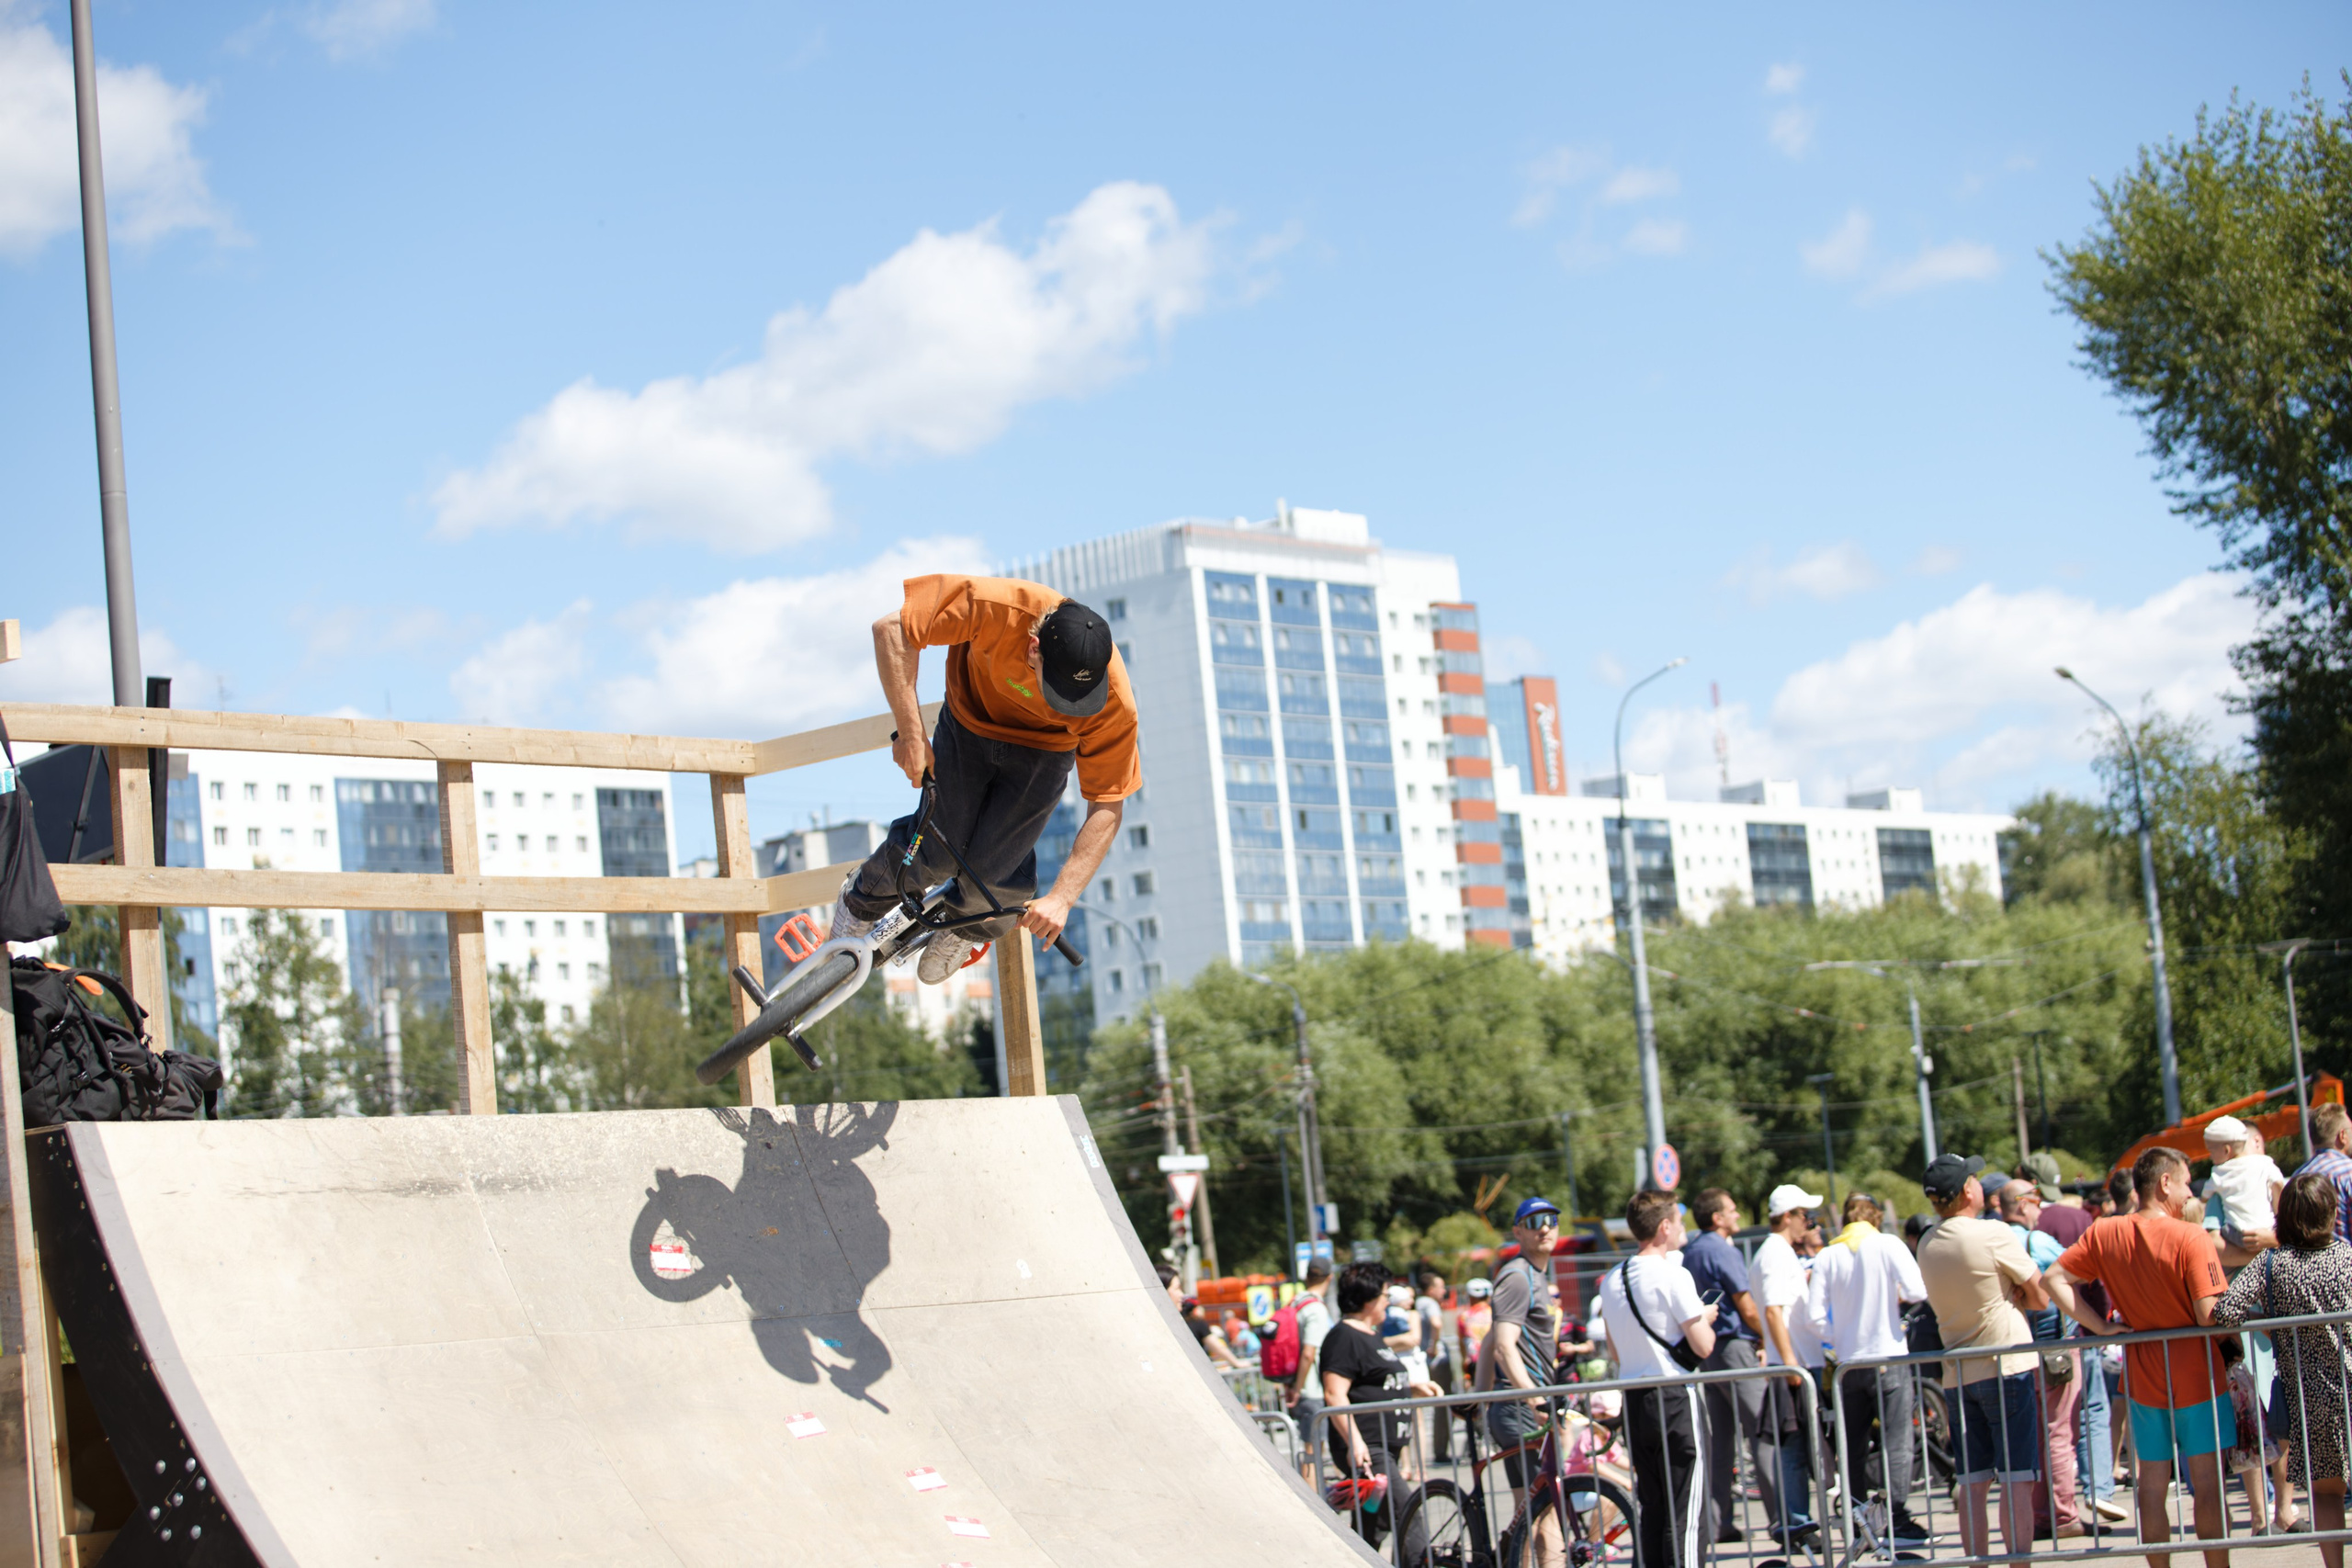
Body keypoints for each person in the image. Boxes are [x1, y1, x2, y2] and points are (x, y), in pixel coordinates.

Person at [834, 575, 1139, 979]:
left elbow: (1108, 801)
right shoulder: (999, 607)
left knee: (993, 877)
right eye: (1060, 692)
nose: (1070, 705)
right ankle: (860, 901)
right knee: (937, 848)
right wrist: (910, 733)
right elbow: (891, 630)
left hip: (1046, 753)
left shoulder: (1115, 705)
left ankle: (968, 928)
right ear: (1034, 649)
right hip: (970, 722)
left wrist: (1063, 898)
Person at [2044, 1145, 2233, 1568]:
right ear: (2165, 1182)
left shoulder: (2104, 1232)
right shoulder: (2192, 1236)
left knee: (2151, 1486)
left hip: (2143, 1372)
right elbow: (2208, 1315)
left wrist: (2099, 1327)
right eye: (2185, 1183)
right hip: (2198, 1373)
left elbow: (2054, 1278)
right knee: (2208, 1486)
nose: (2189, 1194)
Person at [1916, 1154, 2048, 1568]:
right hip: (2006, 1362)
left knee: (1972, 1483)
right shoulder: (1993, 1233)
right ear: (1968, 1190)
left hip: (1958, 1371)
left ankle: (1977, 1562)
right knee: (2016, 1480)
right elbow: (2040, 1295)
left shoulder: (1926, 1242)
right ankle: (2019, 1563)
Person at [2214, 1171, 2352, 1567]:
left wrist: (2267, 1316)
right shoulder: (2345, 1256)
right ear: (2329, 1212)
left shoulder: (2272, 1264)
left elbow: (2226, 1310)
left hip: (2307, 1398)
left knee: (2326, 1495)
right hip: (2348, 1384)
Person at [1596, 1190, 1715, 1568]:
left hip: (1634, 1398)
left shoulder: (1612, 1279)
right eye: (1678, 1221)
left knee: (1653, 1507)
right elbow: (1704, 1346)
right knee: (1686, 1511)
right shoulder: (1673, 1274)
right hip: (1674, 1395)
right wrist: (1704, 1318)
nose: (1682, 1228)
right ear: (1665, 1227)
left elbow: (1615, 1351)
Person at [1811, 1191, 1931, 1543]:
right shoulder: (1888, 1245)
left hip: (1849, 1361)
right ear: (1875, 1217)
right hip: (1887, 1355)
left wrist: (1839, 1337)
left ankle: (1857, 1517)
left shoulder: (1828, 1254)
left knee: (1853, 1445)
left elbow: (1815, 1315)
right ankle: (1896, 1516)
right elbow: (1916, 1290)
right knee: (1897, 1440)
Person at [1323, 1260, 1443, 1555]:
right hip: (1368, 1450)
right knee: (1410, 1515)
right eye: (1385, 1294)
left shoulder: (1370, 1334)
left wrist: (1412, 1388)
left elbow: (1372, 1382)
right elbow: (1334, 1394)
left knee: (1372, 1528)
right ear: (1368, 1298)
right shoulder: (1344, 1337)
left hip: (1384, 1448)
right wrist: (1356, 1442)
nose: (1389, 1301)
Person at [2036, 1172, 2132, 1526]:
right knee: (2091, 1411)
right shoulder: (2078, 1219)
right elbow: (2095, 1277)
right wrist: (2103, 1324)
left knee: (2052, 1423)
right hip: (2079, 1330)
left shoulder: (2017, 1227)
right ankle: (2098, 1489)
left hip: (2037, 1337)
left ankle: (2053, 1507)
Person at [1479, 1199, 1566, 1568]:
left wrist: (1478, 1400)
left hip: (1524, 1406)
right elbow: (1502, 1345)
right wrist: (1533, 1398)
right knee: (1545, 1515)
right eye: (1533, 1222)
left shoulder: (1536, 1274)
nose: (1543, 1227)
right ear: (1517, 1232)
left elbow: (1489, 1340)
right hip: (1522, 1408)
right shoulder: (1518, 1276)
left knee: (1532, 1513)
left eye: (1551, 1219)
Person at [1998, 1180, 2086, 1537]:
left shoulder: (1996, 1241)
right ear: (2021, 1205)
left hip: (2016, 1350)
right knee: (2059, 1433)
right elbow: (2079, 1268)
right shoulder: (2037, 1242)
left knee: (2033, 1435)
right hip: (2055, 1351)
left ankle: (2039, 1515)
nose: (2039, 1209)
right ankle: (2064, 1515)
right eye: (2036, 1202)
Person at [1685, 1189, 1768, 1548]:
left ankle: (1719, 1523)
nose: (1737, 1216)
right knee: (1764, 1430)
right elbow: (1746, 1306)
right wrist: (1770, 1338)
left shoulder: (1692, 1250)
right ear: (1717, 1217)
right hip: (1733, 1347)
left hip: (1708, 1351)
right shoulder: (1722, 1249)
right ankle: (1784, 1521)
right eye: (1732, 1210)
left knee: (1720, 1443)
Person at [1749, 1185, 1825, 1554]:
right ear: (1790, 1216)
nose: (1808, 1222)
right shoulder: (1776, 1254)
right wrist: (1791, 1362)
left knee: (1797, 1449)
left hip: (1794, 1361)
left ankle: (1797, 1522)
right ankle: (1796, 1523)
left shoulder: (1776, 1253)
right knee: (1795, 1449)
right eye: (1805, 1215)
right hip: (1795, 1364)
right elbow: (1773, 1311)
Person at [2203, 1115, 2287, 1255]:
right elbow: (2278, 1184)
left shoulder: (2220, 1172)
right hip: (2269, 1228)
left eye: (2211, 1152)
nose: (2210, 1157)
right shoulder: (2266, 1164)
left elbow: (2204, 1197)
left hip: (2239, 1235)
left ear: (2226, 1150)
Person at [1286, 1258, 1338, 1471]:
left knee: (1309, 1449)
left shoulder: (1295, 1302)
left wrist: (1291, 1386)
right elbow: (1309, 1353)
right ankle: (1310, 1500)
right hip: (1310, 1390)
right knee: (1313, 1452)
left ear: (1307, 1277)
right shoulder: (1316, 1308)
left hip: (1295, 1385)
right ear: (1330, 1278)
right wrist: (1298, 1388)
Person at [1414, 1269, 1456, 1462]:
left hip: (1424, 1360)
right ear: (1430, 1289)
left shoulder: (1417, 1303)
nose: (1443, 1290)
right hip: (1436, 1360)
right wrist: (1433, 1345)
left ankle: (1435, 1450)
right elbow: (1437, 1324)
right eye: (1439, 1287)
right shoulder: (1429, 1303)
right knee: (1444, 1404)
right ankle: (1441, 1450)